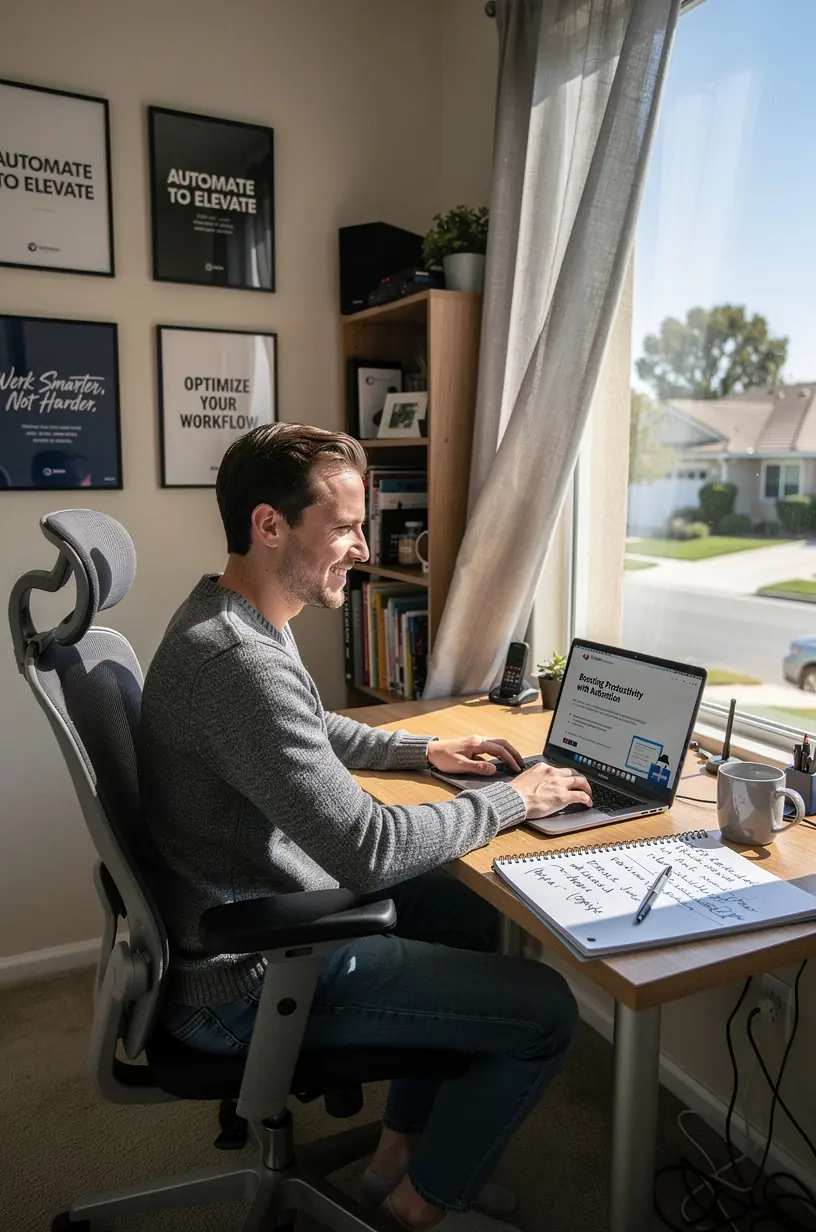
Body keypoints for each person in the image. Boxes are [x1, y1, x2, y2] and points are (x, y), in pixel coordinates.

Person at [138, 423, 592, 1232]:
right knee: (546, 1010)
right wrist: (517, 798)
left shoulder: (233, 615)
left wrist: (425, 750)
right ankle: (421, 1208)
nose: (362, 545)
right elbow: (370, 849)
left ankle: (395, 1157)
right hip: (243, 980)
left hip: (244, 915)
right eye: (344, 525)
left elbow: (310, 727)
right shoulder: (236, 661)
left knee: (463, 912)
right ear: (270, 525)